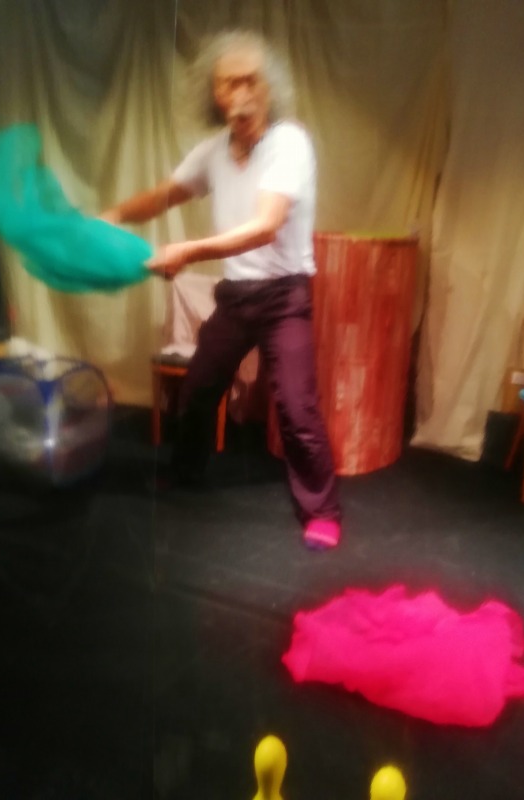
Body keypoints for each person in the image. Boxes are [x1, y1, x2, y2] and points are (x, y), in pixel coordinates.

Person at [102, 30, 341, 549]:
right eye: (229, 83)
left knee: (297, 409)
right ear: (215, 93)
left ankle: (321, 510)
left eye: (250, 81)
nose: (241, 92)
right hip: (235, 296)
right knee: (197, 390)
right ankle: (186, 470)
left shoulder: (289, 143)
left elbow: (265, 226)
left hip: (284, 298)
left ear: (268, 88)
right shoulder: (212, 151)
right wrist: (113, 216)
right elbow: (165, 195)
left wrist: (186, 252)